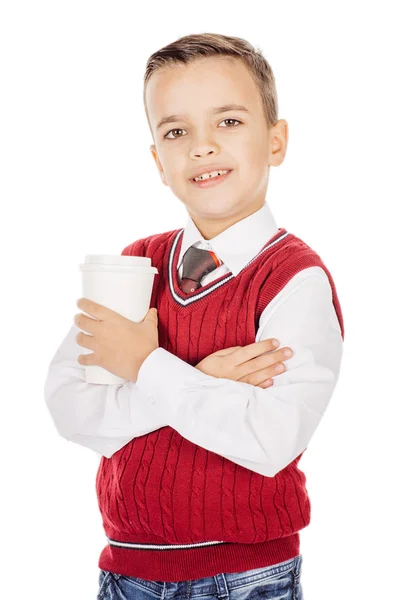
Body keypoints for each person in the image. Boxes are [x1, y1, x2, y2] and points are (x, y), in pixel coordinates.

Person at [44, 32, 344, 600]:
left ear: (276, 141)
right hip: (128, 572)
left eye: (228, 122)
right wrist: (202, 379)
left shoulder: (293, 280)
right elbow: (73, 408)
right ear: (158, 161)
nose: (201, 147)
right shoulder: (133, 267)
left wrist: (144, 366)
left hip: (247, 579)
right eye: (176, 131)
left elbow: (266, 438)